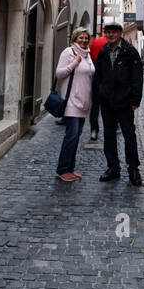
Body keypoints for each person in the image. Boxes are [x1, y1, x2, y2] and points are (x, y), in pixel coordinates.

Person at [92, 22, 144, 185]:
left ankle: (133, 169)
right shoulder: (103, 52)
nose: (111, 35)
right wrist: (99, 95)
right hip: (107, 102)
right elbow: (98, 76)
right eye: (108, 32)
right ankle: (113, 167)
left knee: (129, 136)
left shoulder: (130, 52)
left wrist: (135, 100)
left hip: (125, 102)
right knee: (109, 136)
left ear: (120, 33)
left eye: (114, 32)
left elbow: (137, 77)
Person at [52, 28, 95, 182]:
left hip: (83, 102)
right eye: (80, 38)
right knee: (71, 136)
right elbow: (59, 73)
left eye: (86, 38)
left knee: (76, 137)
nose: (83, 40)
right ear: (75, 39)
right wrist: (73, 64)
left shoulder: (87, 55)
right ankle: (62, 169)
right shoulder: (68, 52)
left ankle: (70, 168)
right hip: (71, 101)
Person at [87, 32, 108, 140]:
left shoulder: (95, 42)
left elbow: (90, 58)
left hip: (96, 78)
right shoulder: (109, 42)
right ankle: (112, 126)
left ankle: (94, 130)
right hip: (108, 79)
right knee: (109, 105)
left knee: (95, 106)